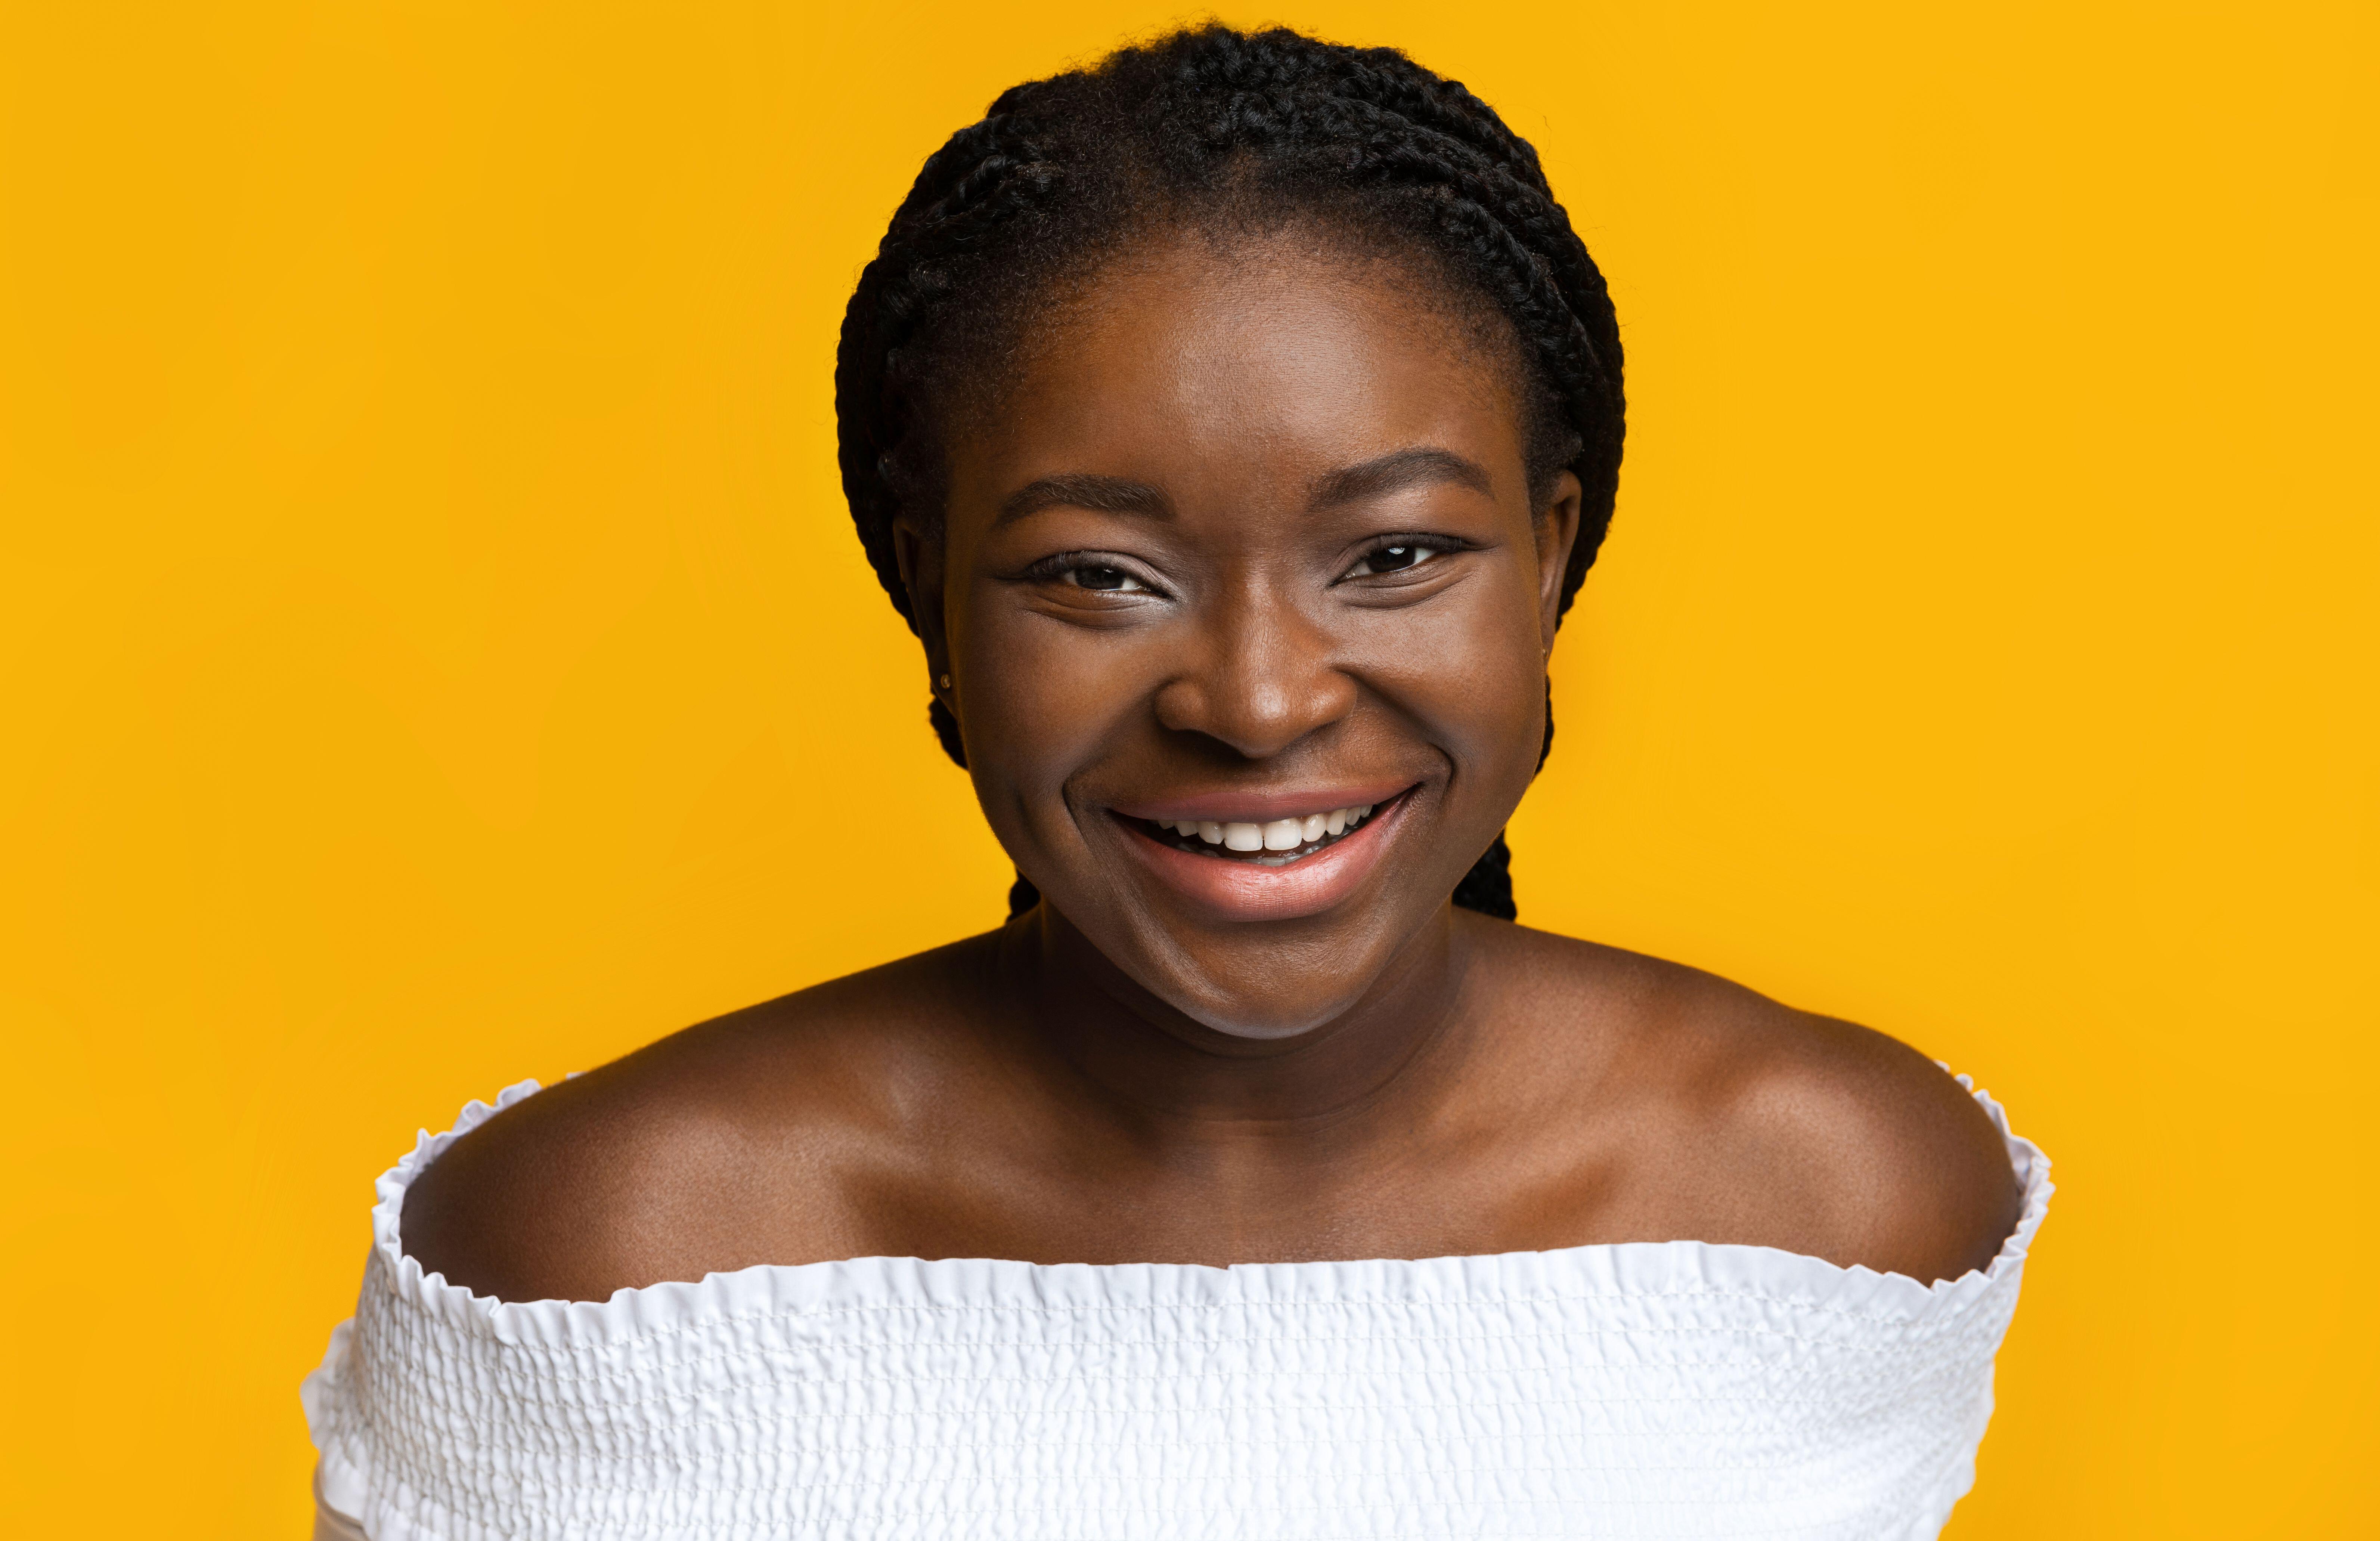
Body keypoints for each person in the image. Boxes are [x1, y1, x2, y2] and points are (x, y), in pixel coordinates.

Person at [304, 24, 2048, 1540]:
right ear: (929, 593)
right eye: (1097, 576)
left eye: (1396, 555)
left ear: (1553, 556)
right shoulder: (618, 1264)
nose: (1259, 699)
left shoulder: (1830, 1203)